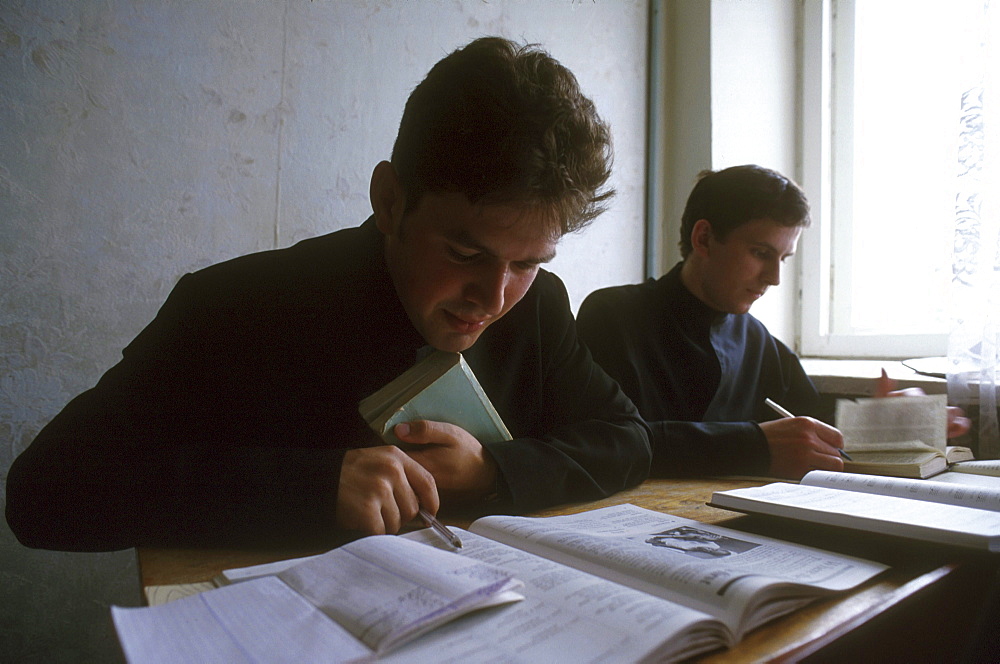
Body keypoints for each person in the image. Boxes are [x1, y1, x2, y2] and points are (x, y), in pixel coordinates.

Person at [6, 37, 651, 552]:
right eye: (465, 254)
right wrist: (309, 488)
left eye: (528, 263)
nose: (494, 296)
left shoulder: (538, 306)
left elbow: (626, 437)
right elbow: (42, 494)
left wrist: (494, 471)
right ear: (390, 201)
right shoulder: (236, 306)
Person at [576, 164, 968, 481]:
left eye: (783, 258)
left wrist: (883, 423)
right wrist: (753, 447)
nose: (774, 278)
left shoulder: (760, 342)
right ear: (704, 238)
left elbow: (809, 427)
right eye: (760, 252)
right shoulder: (613, 315)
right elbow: (611, 441)